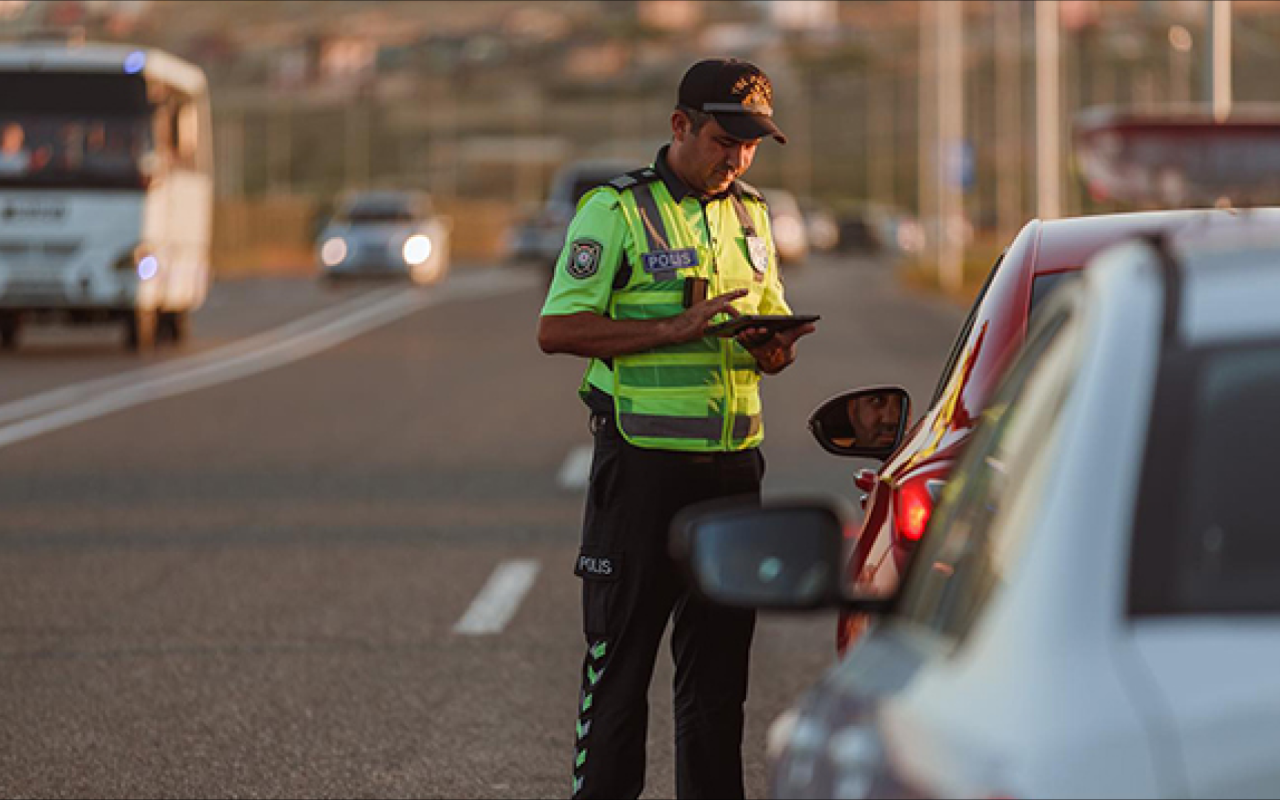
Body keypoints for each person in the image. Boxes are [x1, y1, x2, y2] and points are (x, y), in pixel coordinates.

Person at [537, 58, 816, 800]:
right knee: (621, 672)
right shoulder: (615, 211)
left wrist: (774, 348)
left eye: (753, 144)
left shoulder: (752, 214)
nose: (738, 158)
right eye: (726, 140)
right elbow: (557, 330)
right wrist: (672, 328)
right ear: (680, 126)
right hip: (642, 470)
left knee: (720, 684)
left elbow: (759, 322)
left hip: (732, 470)